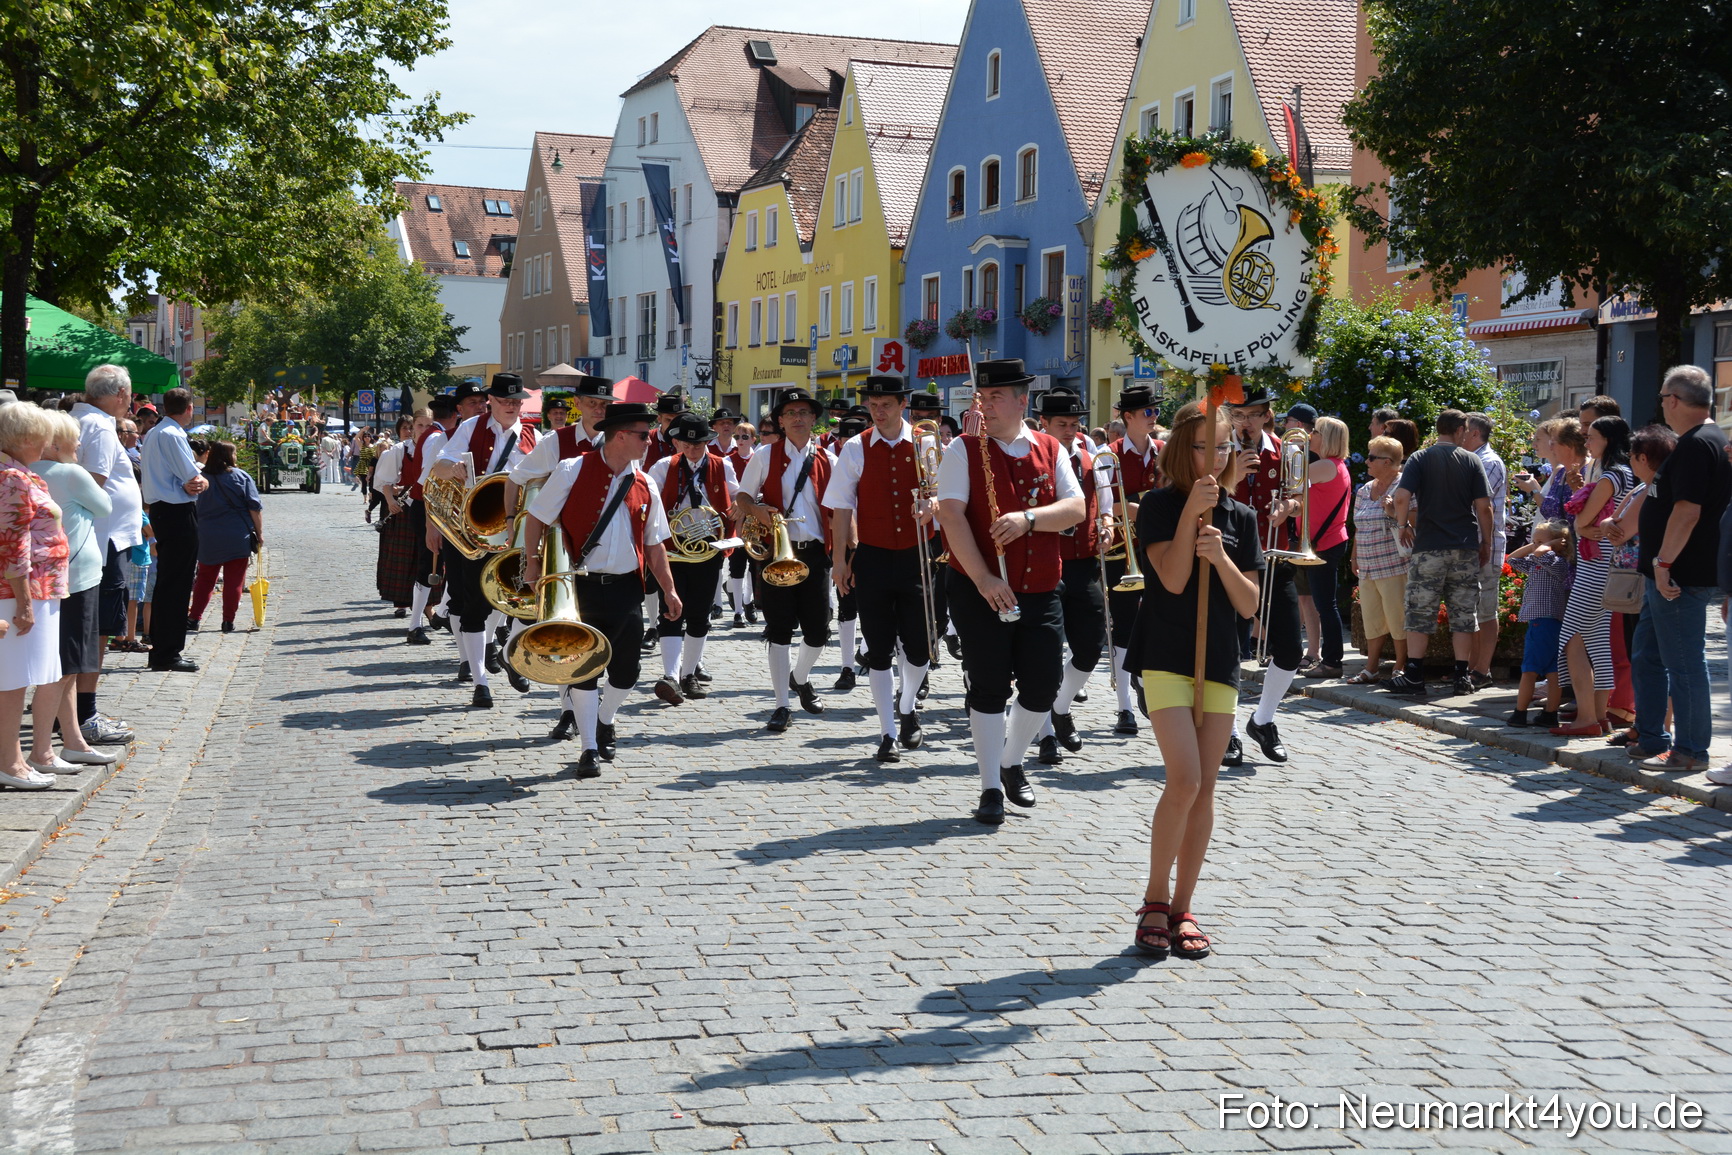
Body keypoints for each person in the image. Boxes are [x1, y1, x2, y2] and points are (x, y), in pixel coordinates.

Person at [1128, 400, 1262, 960]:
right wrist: (1191, 520)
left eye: (1226, 445)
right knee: (1183, 779)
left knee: (1206, 787)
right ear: (1185, 447)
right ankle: (1154, 899)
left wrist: (1224, 558)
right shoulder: (1157, 506)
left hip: (1220, 661)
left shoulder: (1243, 518)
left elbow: (1251, 604)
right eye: (1207, 444)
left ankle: (1184, 906)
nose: (1217, 455)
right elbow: (1176, 579)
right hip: (1164, 655)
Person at [933, 359, 1084, 825]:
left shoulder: (1049, 447)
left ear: (1022, 401)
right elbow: (952, 516)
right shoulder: (963, 448)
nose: (986, 403)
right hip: (980, 589)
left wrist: (1029, 519)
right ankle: (990, 787)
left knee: (1043, 686)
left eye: (996, 396)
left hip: (1040, 587)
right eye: (982, 395)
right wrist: (984, 578)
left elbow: (1076, 508)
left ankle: (1012, 759)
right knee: (990, 686)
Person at [521, 402, 681, 778]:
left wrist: (670, 592)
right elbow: (537, 517)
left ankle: (606, 718)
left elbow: (655, 544)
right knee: (583, 669)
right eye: (644, 434)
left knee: (627, 672)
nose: (650, 440)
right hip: (580, 586)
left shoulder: (646, 482)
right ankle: (589, 746)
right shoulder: (571, 469)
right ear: (621, 435)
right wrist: (531, 561)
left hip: (627, 586)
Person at [823, 377, 931, 763]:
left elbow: (946, 496)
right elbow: (840, 507)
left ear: (903, 404)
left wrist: (931, 507)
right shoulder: (855, 447)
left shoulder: (926, 443)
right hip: (873, 556)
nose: (878, 410)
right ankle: (887, 731)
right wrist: (839, 562)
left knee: (920, 649)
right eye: (873, 404)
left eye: (886, 403)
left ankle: (907, 705)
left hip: (918, 557)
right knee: (880, 649)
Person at [1629, 366, 1731, 771]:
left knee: (1684, 662)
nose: (1662, 406)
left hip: (1679, 574)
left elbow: (1687, 511)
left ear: (1673, 400)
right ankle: (1652, 736)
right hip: (1672, 572)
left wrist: (1664, 563)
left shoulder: (1695, 444)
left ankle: (1689, 750)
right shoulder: (1708, 439)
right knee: (1649, 655)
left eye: (1662, 398)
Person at [429, 374, 540, 708]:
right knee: (475, 605)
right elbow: (440, 464)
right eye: (505, 401)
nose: (511, 407)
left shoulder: (534, 435)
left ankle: (506, 651)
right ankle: (480, 681)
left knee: (523, 602)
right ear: (491, 400)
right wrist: (454, 468)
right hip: (474, 528)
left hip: (516, 530)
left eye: (516, 401)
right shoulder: (471, 427)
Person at [735, 389, 836, 732]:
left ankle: (801, 677)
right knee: (778, 631)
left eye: (803, 412)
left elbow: (841, 508)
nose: (797, 418)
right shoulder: (764, 456)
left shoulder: (829, 459)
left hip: (816, 553)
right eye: (790, 412)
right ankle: (781, 705)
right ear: (780, 421)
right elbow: (743, 496)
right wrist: (757, 510)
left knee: (819, 631)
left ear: (813, 419)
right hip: (777, 553)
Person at [26, 411, 120, 775]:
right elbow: (105, 506)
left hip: (55, 577)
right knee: (66, 667)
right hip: (77, 576)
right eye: (73, 439)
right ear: (56, 442)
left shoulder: (35, 472)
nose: (79, 445)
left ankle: (73, 741)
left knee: (66, 664)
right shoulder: (69, 473)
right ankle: (43, 751)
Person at [1386, 409, 1493, 697]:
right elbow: (1484, 507)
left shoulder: (1420, 458)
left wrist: (1402, 524)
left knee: (1420, 611)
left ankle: (1415, 675)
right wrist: (1487, 543)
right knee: (1463, 612)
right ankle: (1461, 676)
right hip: (1464, 545)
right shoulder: (1471, 460)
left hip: (1429, 546)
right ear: (1460, 430)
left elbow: (1400, 496)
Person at [1225, 387, 1299, 764]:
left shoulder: (1287, 452)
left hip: (1274, 555)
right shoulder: (1219, 450)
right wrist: (1232, 473)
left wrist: (1289, 506)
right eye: (1240, 415)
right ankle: (1228, 731)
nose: (1247, 422)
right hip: (1229, 559)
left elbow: (1297, 495)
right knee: (1228, 651)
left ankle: (1263, 720)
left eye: (1254, 414)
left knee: (1290, 648)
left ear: (1267, 415)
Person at [72, 364, 143, 744]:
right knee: (99, 631)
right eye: (129, 395)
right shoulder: (99, 426)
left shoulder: (83, 419)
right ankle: (85, 714)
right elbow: (93, 485)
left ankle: (75, 712)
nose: (130, 402)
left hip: (103, 540)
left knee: (94, 629)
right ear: (120, 394)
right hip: (105, 541)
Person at [646, 412, 738, 703]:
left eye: (698, 443)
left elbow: (737, 498)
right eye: (687, 443)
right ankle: (670, 676)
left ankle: (689, 675)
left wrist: (739, 508)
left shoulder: (722, 465)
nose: (693, 448)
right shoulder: (664, 466)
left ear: (707, 442)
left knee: (699, 613)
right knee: (671, 610)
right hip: (674, 547)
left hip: (708, 547)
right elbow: (650, 504)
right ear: (677, 442)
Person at [1549, 416, 1633, 736]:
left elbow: (1582, 522)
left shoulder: (1611, 476)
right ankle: (1600, 717)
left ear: (1608, 440)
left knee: (1572, 639)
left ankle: (1586, 717)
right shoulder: (1628, 473)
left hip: (1594, 567)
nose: (1587, 443)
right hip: (1610, 566)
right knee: (1597, 644)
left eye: (1592, 437)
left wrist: (1584, 519)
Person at [1035, 388, 1106, 760]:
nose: (1069, 430)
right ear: (1043, 423)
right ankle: (1045, 733)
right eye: (1061, 424)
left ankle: (1059, 709)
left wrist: (1107, 523)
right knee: (1046, 654)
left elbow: (1102, 500)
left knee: (1091, 647)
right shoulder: (1034, 459)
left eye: (1075, 424)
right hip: (1046, 561)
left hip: (1083, 562)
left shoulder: (1088, 456)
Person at [0, 403, 68, 789]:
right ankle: (9, 763)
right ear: (26, 437)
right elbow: (13, 545)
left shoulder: (18, 473)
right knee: (11, 679)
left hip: (34, 590)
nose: (48, 443)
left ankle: (12, 761)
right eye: (43, 435)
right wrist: (24, 603)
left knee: (17, 678)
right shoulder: (11, 476)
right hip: (18, 592)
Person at [1103, 383, 1164, 735]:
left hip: (1158, 547)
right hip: (1122, 548)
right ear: (1128, 417)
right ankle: (1124, 706)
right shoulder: (1108, 455)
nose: (1154, 418)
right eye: (1147, 412)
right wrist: (1129, 507)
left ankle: (1146, 681)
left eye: (1155, 412)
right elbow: (1099, 502)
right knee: (1124, 626)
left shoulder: (1164, 451)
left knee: (1158, 620)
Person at [138, 388, 209, 673]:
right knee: (177, 584)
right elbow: (193, 478)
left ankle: (162, 648)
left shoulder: (155, 432)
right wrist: (201, 480)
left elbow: (186, 478)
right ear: (189, 408)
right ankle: (168, 652)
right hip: (177, 512)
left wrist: (192, 480)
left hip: (163, 510)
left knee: (169, 582)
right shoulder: (174, 434)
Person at [1347, 435, 1409, 684]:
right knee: (1372, 618)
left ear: (1388, 462)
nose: (1366, 462)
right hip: (1368, 564)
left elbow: (1414, 523)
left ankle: (1401, 667)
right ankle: (1371, 667)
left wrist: (1393, 512)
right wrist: (1354, 556)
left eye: (1372, 457)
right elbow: (1358, 527)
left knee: (1398, 617)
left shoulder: (1404, 486)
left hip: (1394, 562)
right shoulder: (1364, 489)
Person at [1296, 416, 1352, 679]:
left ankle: (1331, 662)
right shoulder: (1335, 465)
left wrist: (1293, 450)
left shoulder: (1325, 466)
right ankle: (1331, 660)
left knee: (1324, 604)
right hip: (1329, 540)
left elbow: (1290, 483)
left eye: (1315, 432)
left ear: (1327, 438)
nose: (1310, 435)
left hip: (1323, 543)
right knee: (1324, 603)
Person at [1504, 521, 1574, 727]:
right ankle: (1550, 714)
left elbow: (1541, 553)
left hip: (1543, 621)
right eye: (1534, 541)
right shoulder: (1539, 559)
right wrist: (1536, 543)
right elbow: (1513, 558)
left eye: (1540, 541)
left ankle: (1520, 712)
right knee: (1553, 671)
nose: (1536, 546)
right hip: (1545, 620)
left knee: (1529, 670)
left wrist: (1549, 544)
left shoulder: (1555, 561)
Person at [188, 441, 262, 633]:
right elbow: (254, 507)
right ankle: (228, 621)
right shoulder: (241, 477)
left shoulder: (200, 478)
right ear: (230, 457)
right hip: (237, 535)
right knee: (234, 581)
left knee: (204, 579)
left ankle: (194, 618)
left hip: (207, 535)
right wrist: (259, 534)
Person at [1458, 412, 1508, 686]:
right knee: (1472, 611)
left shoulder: (1488, 462)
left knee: (1486, 612)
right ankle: (1471, 669)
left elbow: (1475, 503)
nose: (1458, 434)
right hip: (1472, 547)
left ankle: (1482, 670)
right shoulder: (1472, 460)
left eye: (1462, 430)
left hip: (1485, 548)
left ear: (1474, 434)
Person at [370, 416, 419, 615]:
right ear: (398, 431)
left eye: (411, 427)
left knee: (420, 555)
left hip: (418, 504)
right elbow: (380, 483)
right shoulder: (395, 452)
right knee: (401, 556)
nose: (408, 431)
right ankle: (400, 602)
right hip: (397, 509)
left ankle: (424, 603)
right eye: (404, 428)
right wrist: (391, 498)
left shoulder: (427, 448)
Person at [116, 511, 155, 654]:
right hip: (138, 558)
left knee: (122, 599)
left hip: (122, 556)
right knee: (133, 601)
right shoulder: (137, 510)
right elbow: (151, 532)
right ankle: (130, 639)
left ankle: (119, 637)